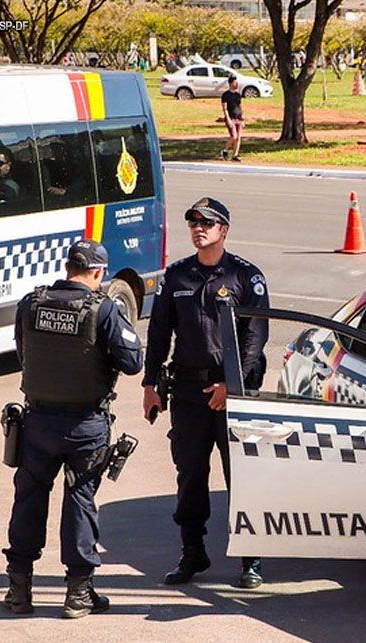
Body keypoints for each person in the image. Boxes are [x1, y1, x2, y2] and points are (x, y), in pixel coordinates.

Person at [2, 239, 143, 618]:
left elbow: (22, 352)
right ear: (97, 273)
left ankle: (19, 591)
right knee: (80, 501)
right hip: (85, 425)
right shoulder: (104, 310)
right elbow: (133, 362)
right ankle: (78, 594)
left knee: (29, 499)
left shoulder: (31, 303)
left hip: (38, 422)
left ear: (68, 267)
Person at [142, 197, 270, 589]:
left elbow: (256, 335)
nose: (199, 229)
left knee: (242, 476)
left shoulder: (245, 277)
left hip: (233, 391)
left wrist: (232, 384)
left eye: (208, 223)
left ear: (224, 230)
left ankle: (251, 558)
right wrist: (149, 384)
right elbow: (159, 331)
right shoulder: (177, 277)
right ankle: (192, 552)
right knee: (190, 474)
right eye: (193, 222)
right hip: (188, 391)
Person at [220, 75, 245, 163]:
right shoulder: (225, 95)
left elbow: (240, 106)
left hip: (238, 118)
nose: (236, 84)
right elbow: (225, 108)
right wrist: (228, 119)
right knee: (233, 136)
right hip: (231, 118)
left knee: (238, 137)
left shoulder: (238, 95)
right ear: (230, 83)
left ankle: (235, 155)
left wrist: (242, 118)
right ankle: (225, 150)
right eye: (235, 82)